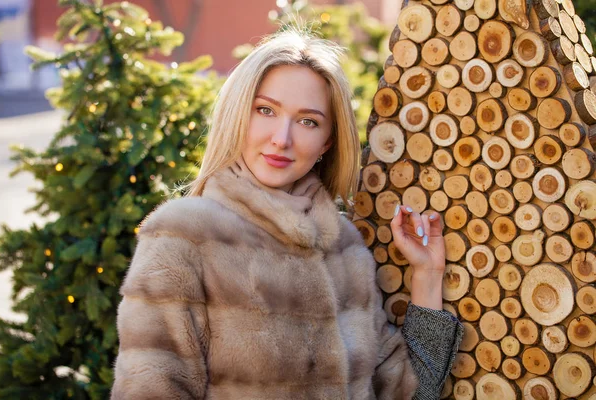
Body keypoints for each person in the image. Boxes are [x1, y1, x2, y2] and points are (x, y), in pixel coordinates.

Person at [111, 28, 464, 400]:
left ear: (328, 140)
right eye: (265, 110)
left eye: (307, 121)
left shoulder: (344, 248)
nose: (282, 138)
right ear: (238, 115)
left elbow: (408, 393)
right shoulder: (183, 235)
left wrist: (427, 274)